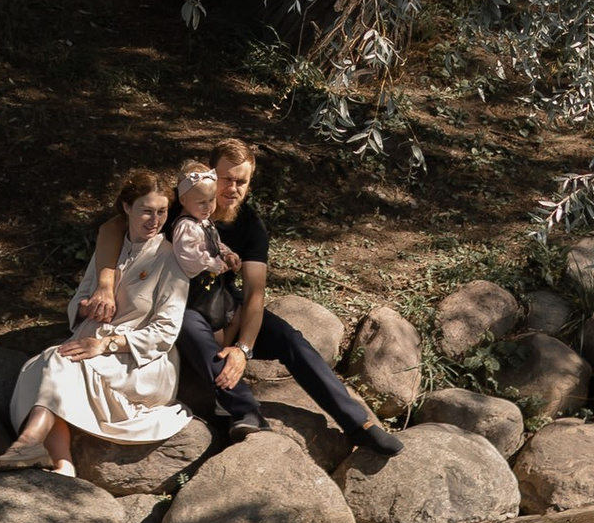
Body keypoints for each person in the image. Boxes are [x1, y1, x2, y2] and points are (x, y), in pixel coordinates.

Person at [95, 144, 405, 462]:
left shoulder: (250, 225)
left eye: (241, 181)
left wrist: (243, 349)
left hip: (222, 304)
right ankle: (245, 412)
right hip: (174, 306)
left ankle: (358, 423)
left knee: (290, 338)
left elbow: (255, 292)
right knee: (187, 324)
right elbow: (112, 227)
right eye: (225, 179)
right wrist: (105, 287)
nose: (232, 189)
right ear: (209, 174)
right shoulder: (181, 201)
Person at [0, 168, 197, 475]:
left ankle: (30, 441)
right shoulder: (110, 249)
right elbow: (78, 300)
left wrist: (105, 344)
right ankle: (62, 466)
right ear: (127, 208)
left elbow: (166, 332)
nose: (154, 221)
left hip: (142, 362)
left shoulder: (172, 258)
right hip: (92, 345)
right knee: (43, 365)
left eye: (161, 212)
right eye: (146, 211)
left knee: (60, 363)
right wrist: (87, 308)